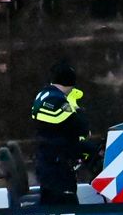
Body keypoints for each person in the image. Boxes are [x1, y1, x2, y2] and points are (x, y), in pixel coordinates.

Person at [31, 60, 92, 205]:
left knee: (51, 202)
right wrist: (76, 108)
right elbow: (80, 126)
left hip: (50, 163)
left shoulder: (45, 95)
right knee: (65, 205)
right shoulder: (55, 100)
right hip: (56, 166)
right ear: (70, 81)